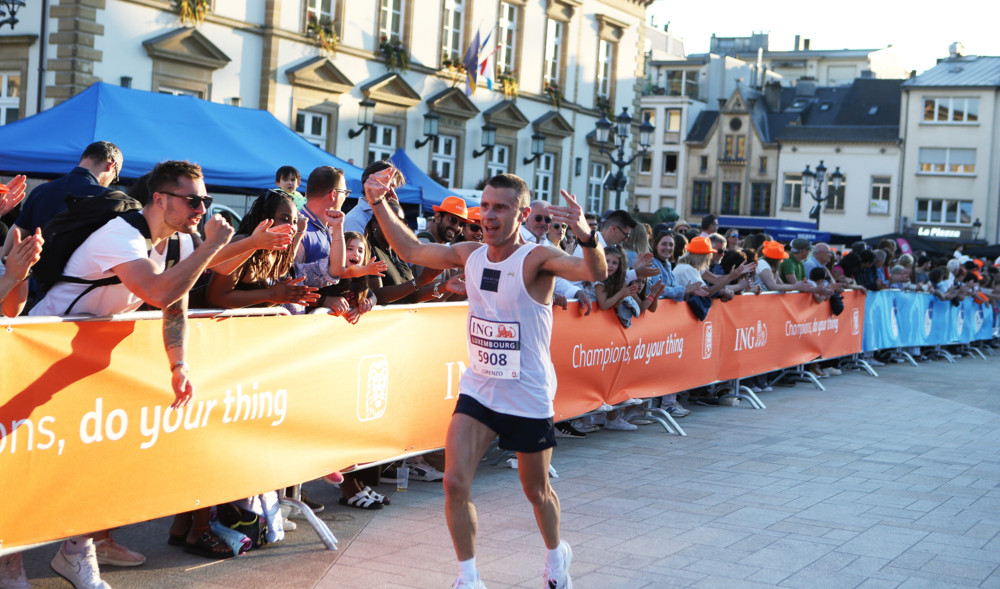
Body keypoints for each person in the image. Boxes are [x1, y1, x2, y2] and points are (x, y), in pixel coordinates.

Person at [365, 173, 605, 589]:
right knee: (455, 482)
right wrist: (377, 201)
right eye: (486, 206)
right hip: (479, 387)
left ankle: (555, 557)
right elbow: (411, 249)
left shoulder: (536, 259)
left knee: (536, 491)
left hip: (527, 392)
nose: (488, 216)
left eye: (501, 208)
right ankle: (469, 578)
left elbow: (592, 270)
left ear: (522, 215)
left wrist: (587, 236)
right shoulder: (470, 253)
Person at [29, 160, 236, 584]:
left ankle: (79, 550)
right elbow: (158, 292)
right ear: (159, 199)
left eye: (206, 200)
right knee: (29, 460)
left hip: (89, 361)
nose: (202, 208)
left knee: (98, 459)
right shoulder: (120, 235)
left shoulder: (180, 242)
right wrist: (211, 247)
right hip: (40, 353)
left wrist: (178, 364)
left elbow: (175, 305)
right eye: (193, 200)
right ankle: (9, 562)